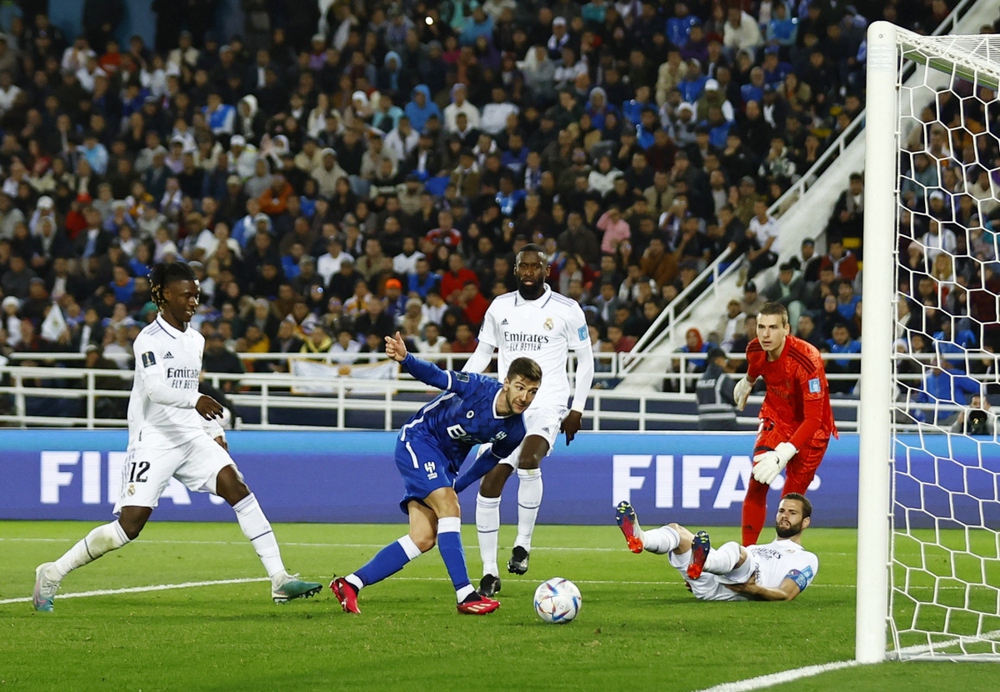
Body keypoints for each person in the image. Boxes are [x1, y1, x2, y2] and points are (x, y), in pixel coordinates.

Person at [32, 263, 322, 612]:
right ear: (165, 295)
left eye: (197, 294)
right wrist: (195, 401)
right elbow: (156, 389)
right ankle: (52, 572)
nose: (194, 301)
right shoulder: (148, 340)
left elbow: (190, 386)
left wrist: (213, 429)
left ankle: (279, 579)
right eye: (186, 294)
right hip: (153, 439)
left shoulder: (195, 339)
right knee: (128, 527)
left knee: (237, 486)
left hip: (188, 433)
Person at [330, 332, 542, 615]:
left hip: (445, 464)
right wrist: (406, 359)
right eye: (520, 387)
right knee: (449, 507)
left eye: (532, 392)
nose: (524, 397)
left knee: (423, 538)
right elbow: (438, 377)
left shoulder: (516, 430)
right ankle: (466, 595)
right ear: (506, 383)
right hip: (419, 440)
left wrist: (459, 485)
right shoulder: (478, 387)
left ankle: (350, 584)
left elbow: (491, 458)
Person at [455, 243, 595, 597]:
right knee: (490, 483)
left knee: (530, 459)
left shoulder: (567, 309)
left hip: (547, 405)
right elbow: (483, 352)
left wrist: (576, 408)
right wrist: (459, 387)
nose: (529, 272)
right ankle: (488, 573)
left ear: (548, 271)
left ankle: (522, 545)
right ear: (515, 270)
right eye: (524, 266)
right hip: (506, 408)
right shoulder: (500, 307)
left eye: (536, 267)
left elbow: (586, 359)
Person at [731, 302, 836, 546]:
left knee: (791, 503)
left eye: (773, 327)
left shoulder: (808, 360)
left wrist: (784, 454)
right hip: (775, 418)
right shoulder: (754, 348)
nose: (766, 334)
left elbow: (814, 419)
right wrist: (747, 382)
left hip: (812, 430)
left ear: (786, 329)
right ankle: (748, 557)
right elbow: (755, 367)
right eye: (761, 327)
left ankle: (782, 554)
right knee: (757, 481)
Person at [614, 493, 818, 602]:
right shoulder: (757, 548)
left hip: (748, 585)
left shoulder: (806, 558)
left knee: (736, 550)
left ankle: (704, 563)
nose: (784, 515)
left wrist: (754, 589)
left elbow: (787, 594)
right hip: (710, 588)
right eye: (782, 510)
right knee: (676, 531)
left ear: (806, 522)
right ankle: (640, 539)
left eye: (792, 513)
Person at [696, 348, 738, 430]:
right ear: (718, 361)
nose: (725, 363)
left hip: (704, 424)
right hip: (724, 424)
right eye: (724, 360)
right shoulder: (723, 379)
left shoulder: (700, 380)